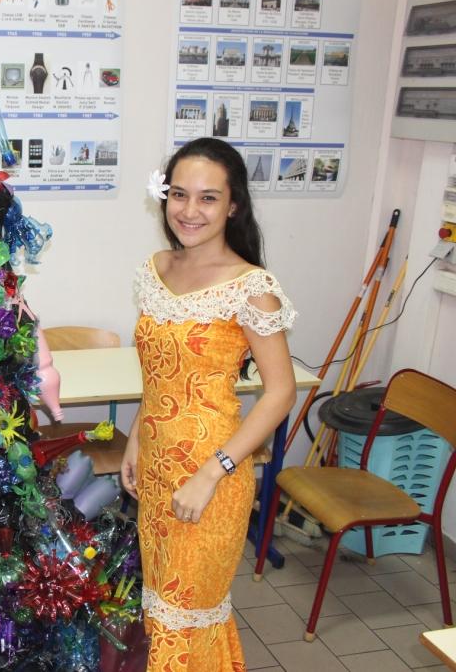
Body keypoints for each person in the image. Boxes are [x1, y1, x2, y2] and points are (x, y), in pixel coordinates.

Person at [121, 137, 297, 671]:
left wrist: (213, 471)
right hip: (155, 467)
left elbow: (281, 392)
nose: (189, 211)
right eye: (179, 194)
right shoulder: (155, 269)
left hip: (212, 474)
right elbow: (158, 375)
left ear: (233, 205)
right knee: (160, 604)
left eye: (208, 198)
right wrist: (135, 438)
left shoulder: (251, 286)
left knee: (186, 609)